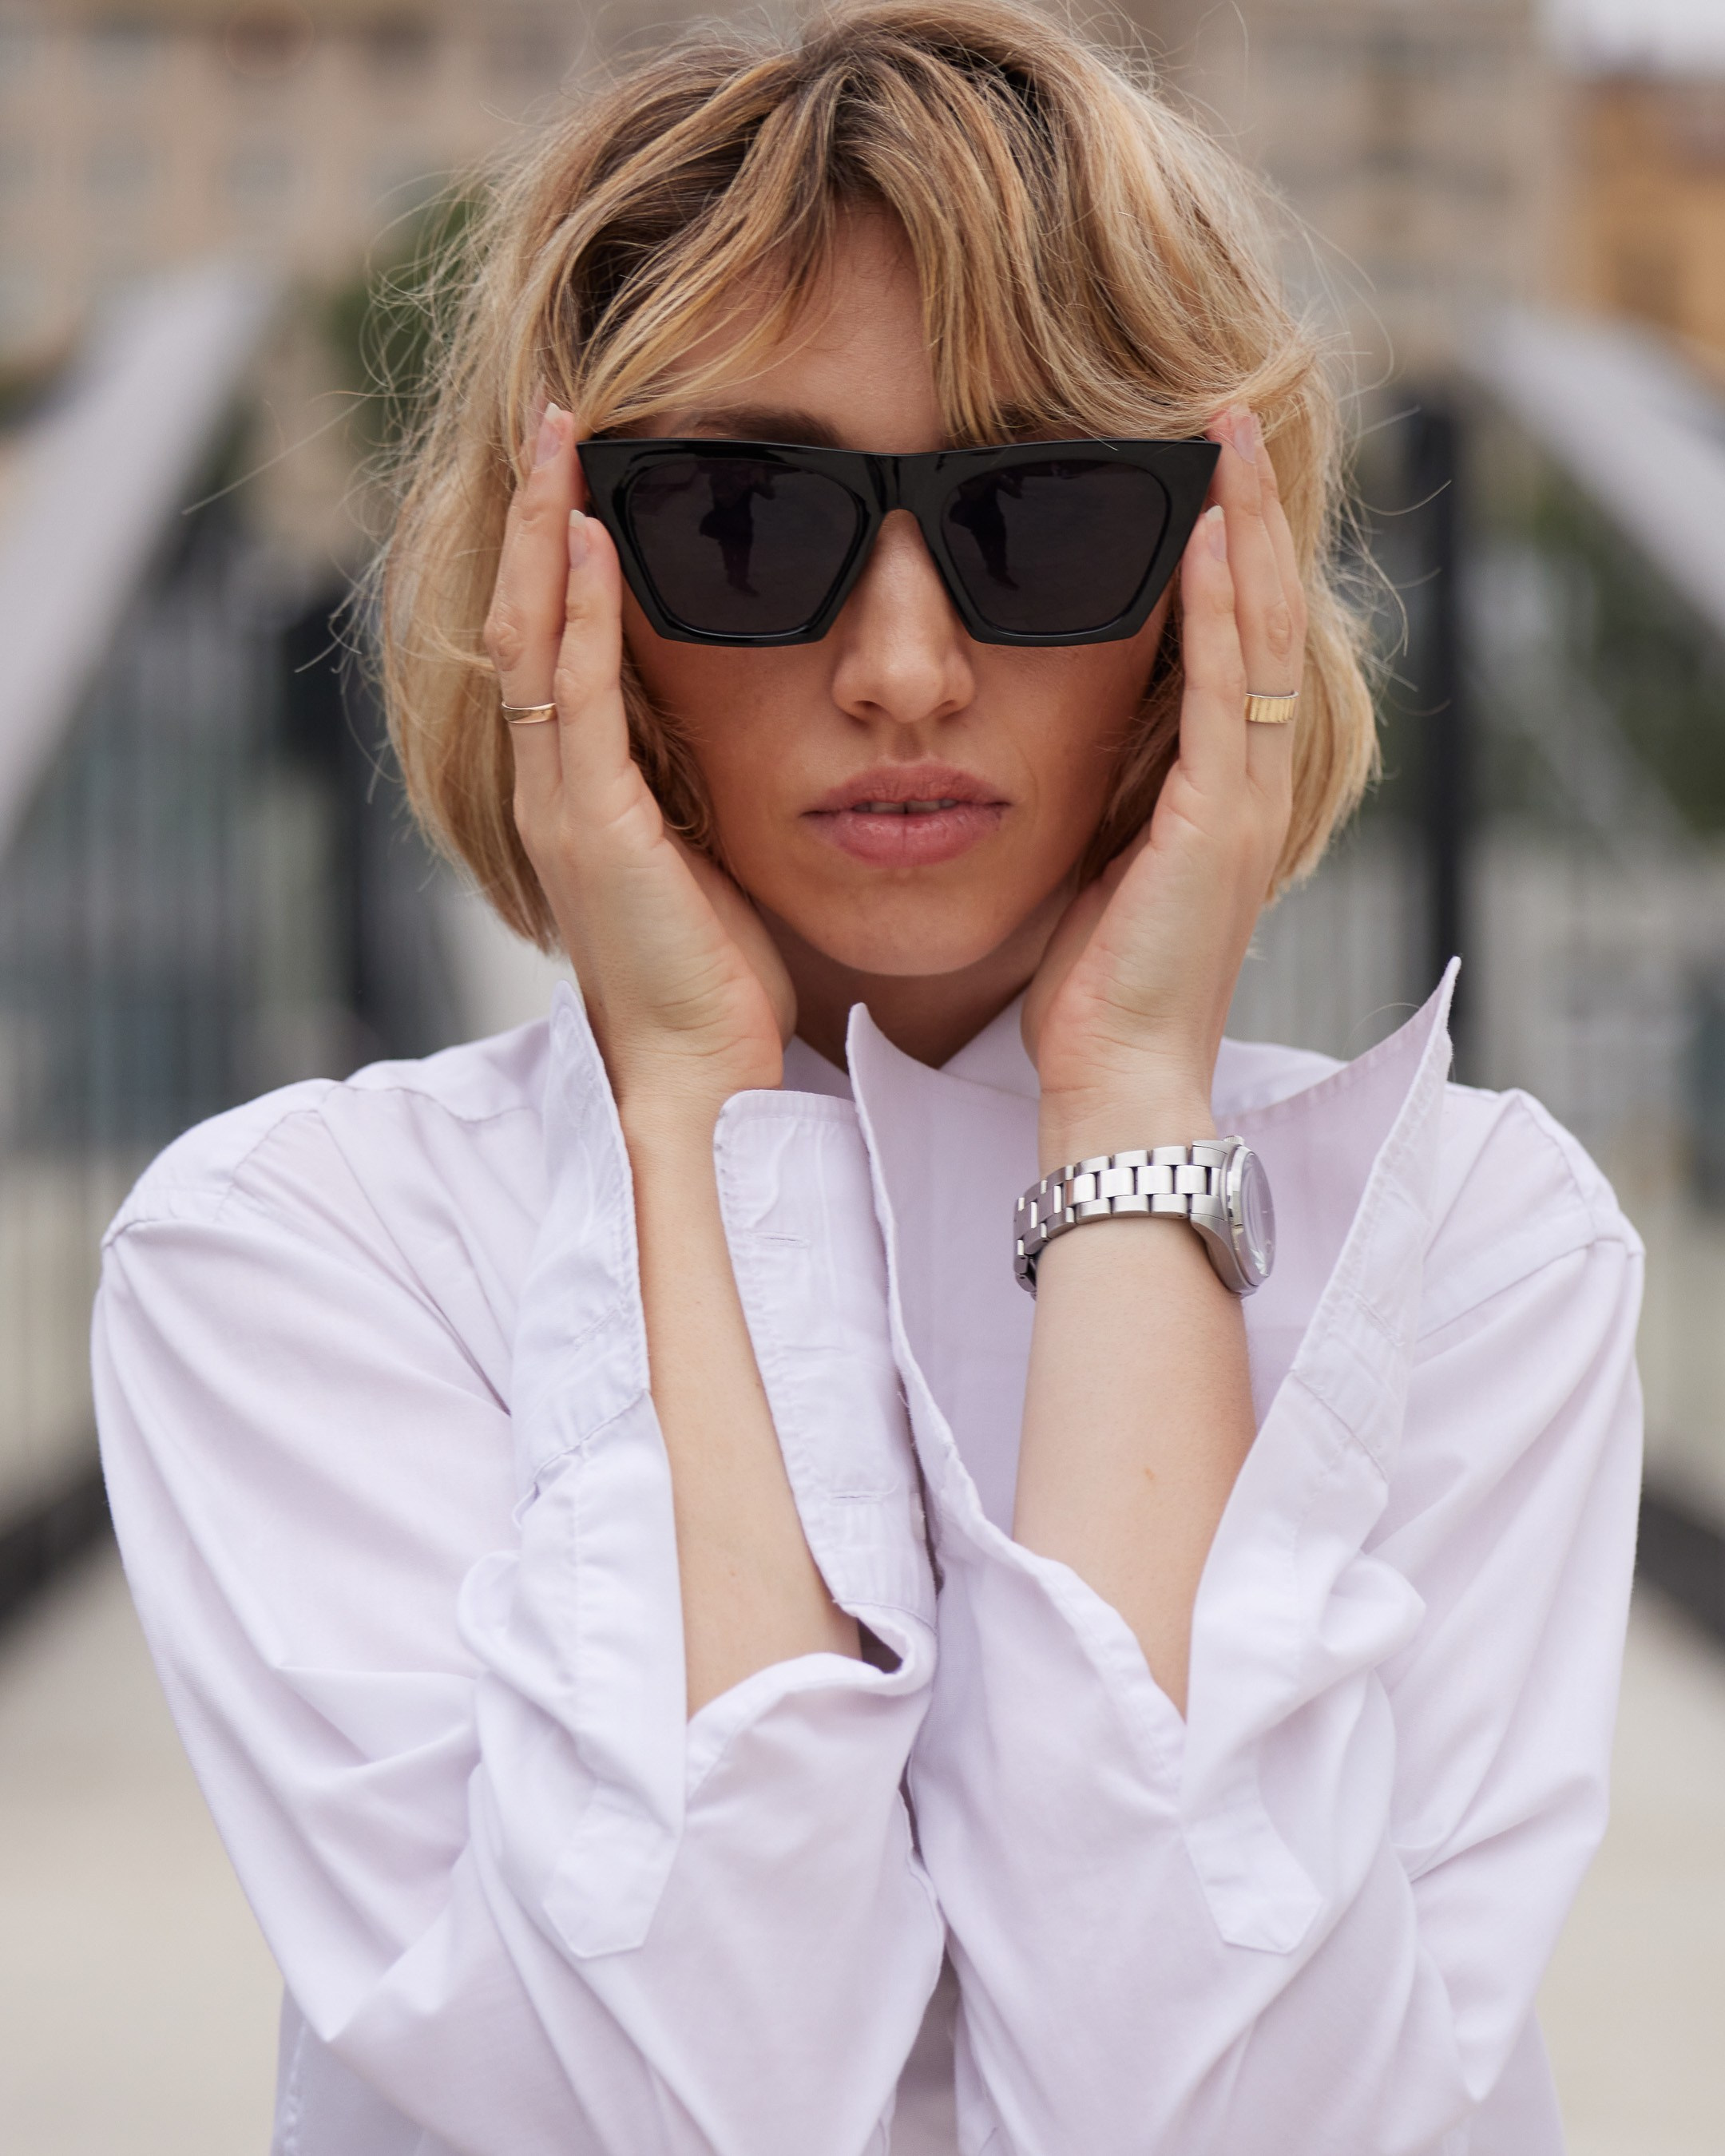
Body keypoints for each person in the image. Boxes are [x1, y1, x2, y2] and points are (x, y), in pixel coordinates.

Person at [92, 6, 1643, 2153]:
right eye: (743, 521)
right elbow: (695, 2100)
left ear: (1223, 582)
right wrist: (689, 1111)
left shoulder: (1476, 1246)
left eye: (1047, 519)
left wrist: (1128, 1097)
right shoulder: (299, 1260)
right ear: (556, 593)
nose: (905, 668)